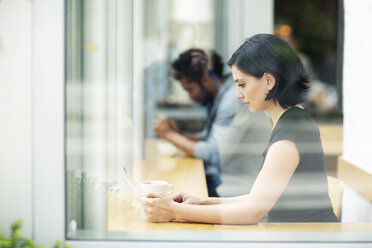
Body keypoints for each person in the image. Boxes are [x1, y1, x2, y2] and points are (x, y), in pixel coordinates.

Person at [141, 34, 339, 223]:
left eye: (242, 84)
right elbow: (257, 199)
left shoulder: (288, 137)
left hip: (307, 239)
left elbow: (253, 212)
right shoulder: (293, 120)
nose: (238, 94)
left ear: (269, 81)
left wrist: (174, 211)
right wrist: (202, 202)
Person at [153, 48, 271, 197]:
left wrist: (169, 134)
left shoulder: (234, 100)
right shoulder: (221, 93)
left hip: (236, 191)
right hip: (224, 183)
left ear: (205, 80)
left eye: (190, 89)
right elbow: (209, 138)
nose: (190, 97)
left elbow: (214, 154)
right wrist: (179, 134)